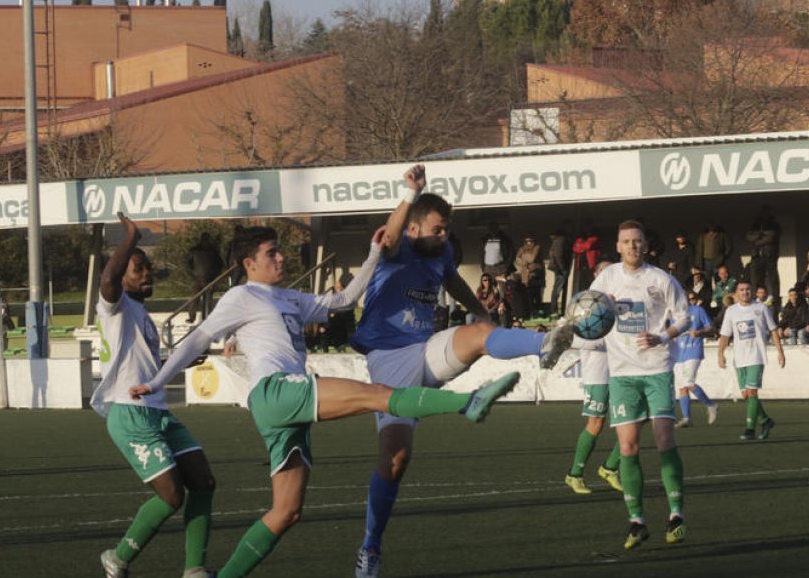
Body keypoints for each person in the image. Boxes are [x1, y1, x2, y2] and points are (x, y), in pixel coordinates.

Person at [132, 209, 524, 578]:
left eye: (280, 250)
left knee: (286, 511)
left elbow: (343, 301)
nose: (282, 258)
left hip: (284, 407)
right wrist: (158, 379)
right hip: (277, 392)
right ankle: (468, 401)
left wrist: (372, 254)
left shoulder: (289, 297)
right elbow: (198, 337)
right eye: (272, 253)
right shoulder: (240, 297)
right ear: (249, 264)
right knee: (380, 394)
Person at [351, 165, 573, 577]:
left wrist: (478, 308)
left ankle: (544, 345)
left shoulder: (442, 252)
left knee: (478, 333)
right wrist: (410, 193)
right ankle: (371, 547)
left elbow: (450, 278)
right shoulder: (397, 247)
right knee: (395, 460)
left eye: (446, 228)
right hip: (388, 357)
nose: (444, 235)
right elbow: (393, 232)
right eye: (437, 228)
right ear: (416, 227)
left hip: (426, 348)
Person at [95, 213, 217, 578]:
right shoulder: (113, 307)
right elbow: (106, 279)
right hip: (130, 414)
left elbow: (145, 366)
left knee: (203, 482)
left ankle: (194, 569)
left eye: (149, 268)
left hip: (158, 411)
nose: (147, 273)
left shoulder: (142, 316)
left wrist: (179, 361)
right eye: (138, 268)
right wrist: (130, 236)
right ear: (122, 275)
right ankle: (116, 559)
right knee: (172, 496)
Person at [587, 220, 690, 549]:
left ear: (646, 246)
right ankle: (636, 521)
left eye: (637, 241)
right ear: (618, 247)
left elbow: (685, 317)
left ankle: (676, 514)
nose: (632, 246)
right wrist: (600, 307)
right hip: (621, 374)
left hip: (656, 368)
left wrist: (662, 335)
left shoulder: (661, 279)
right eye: (626, 241)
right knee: (628, 446)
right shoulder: (607, 278)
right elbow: (587, 311)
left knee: (663, 438)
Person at [563, 259, 623, 496]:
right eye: (605, 272)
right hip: (598, 374)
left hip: (622, 371)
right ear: (597, 276)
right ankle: (574, 474)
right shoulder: (584, 304)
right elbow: (578, 339)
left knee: (636, 418)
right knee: (596, 424)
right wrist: (609, 338)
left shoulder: (622, 303)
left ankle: (610, 468)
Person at [717, 279, 785, 441]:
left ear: (752, 291)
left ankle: (749, 429)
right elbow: (725, 334)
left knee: (752, 392)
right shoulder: (731, 311)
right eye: (741, 290)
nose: (744, 292)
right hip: (739, 358)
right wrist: (721, 354)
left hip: (756, 355)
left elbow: (774, 330)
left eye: (747, 289)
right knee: (746, 395)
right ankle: (766, 421)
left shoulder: (761, 308)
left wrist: (780, 352)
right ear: (736, 293)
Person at [673, 292, 718, 428]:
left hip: (693, 351)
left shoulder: (698, 311)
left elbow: (711, 328)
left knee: (689, 383)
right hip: (679, 353)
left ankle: (711, 405)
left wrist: (699, 333)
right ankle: (687, 418)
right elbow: (671, 331)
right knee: (682, 387)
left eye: (691, 298)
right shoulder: (674, 314)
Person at [745, 207, 781, 307]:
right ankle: (756, 299)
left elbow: (771, 237)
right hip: (756, 256)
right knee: (756, 280)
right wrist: (760, 235)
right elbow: (748, 237)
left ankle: (775, 300)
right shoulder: (755, 224)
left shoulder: (774, 225)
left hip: (769, 256)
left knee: (772, 279)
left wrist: (756, 240)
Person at [187, 232, 225, 323]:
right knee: (206, 299)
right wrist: (215, 276)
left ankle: (193, 317)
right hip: (208, 278)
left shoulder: (195, 250)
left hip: (198, 277)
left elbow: (188, 265)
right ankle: (205, 316)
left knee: (195, 298)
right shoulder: (213, 251)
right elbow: (220, 265)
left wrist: (192, 274)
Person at [694, 224, 733, 297]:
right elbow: (699, 250)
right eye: (709, 228)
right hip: (706, 262)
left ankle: (720, 298)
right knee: (706, 282)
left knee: (719, 281)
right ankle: (708, 299)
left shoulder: (721, 235)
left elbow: (729, 247)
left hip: (718, 261)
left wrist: (722, 257)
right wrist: (698, 264)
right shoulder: (703, 236)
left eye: (713, 228)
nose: (711, 230)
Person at [514, 234, 544, 315]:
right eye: (526, 241)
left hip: (536, 274)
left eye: (530, 241)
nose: (528, 243)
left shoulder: (537, 247)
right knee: (527, 294)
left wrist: (523, 257)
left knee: (537, 294)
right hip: (525, 275)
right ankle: (530, 312)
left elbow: (532, 258)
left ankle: (539, 312)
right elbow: (517, 260)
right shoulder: (521, 249)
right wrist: (524, 262)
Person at [547, 227, 570, 316]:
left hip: (558, 268)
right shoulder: (560, 241)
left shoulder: (558, 241)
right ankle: (554, 310)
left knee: (556, 289)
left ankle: (554, 309)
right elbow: (559, 255)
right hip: (560, 269)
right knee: (557, 289)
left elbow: (558, 255)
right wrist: (562, 267)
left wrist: (560, 267)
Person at [572, 226, 601, 291]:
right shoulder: (580, 240)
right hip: (581, 265)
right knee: (582, 283)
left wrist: (580, 247)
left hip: (590, 265)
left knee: (591, 283)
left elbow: (588, 246)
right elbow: (574, 249)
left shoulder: (594, 239)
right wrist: (581, 245)